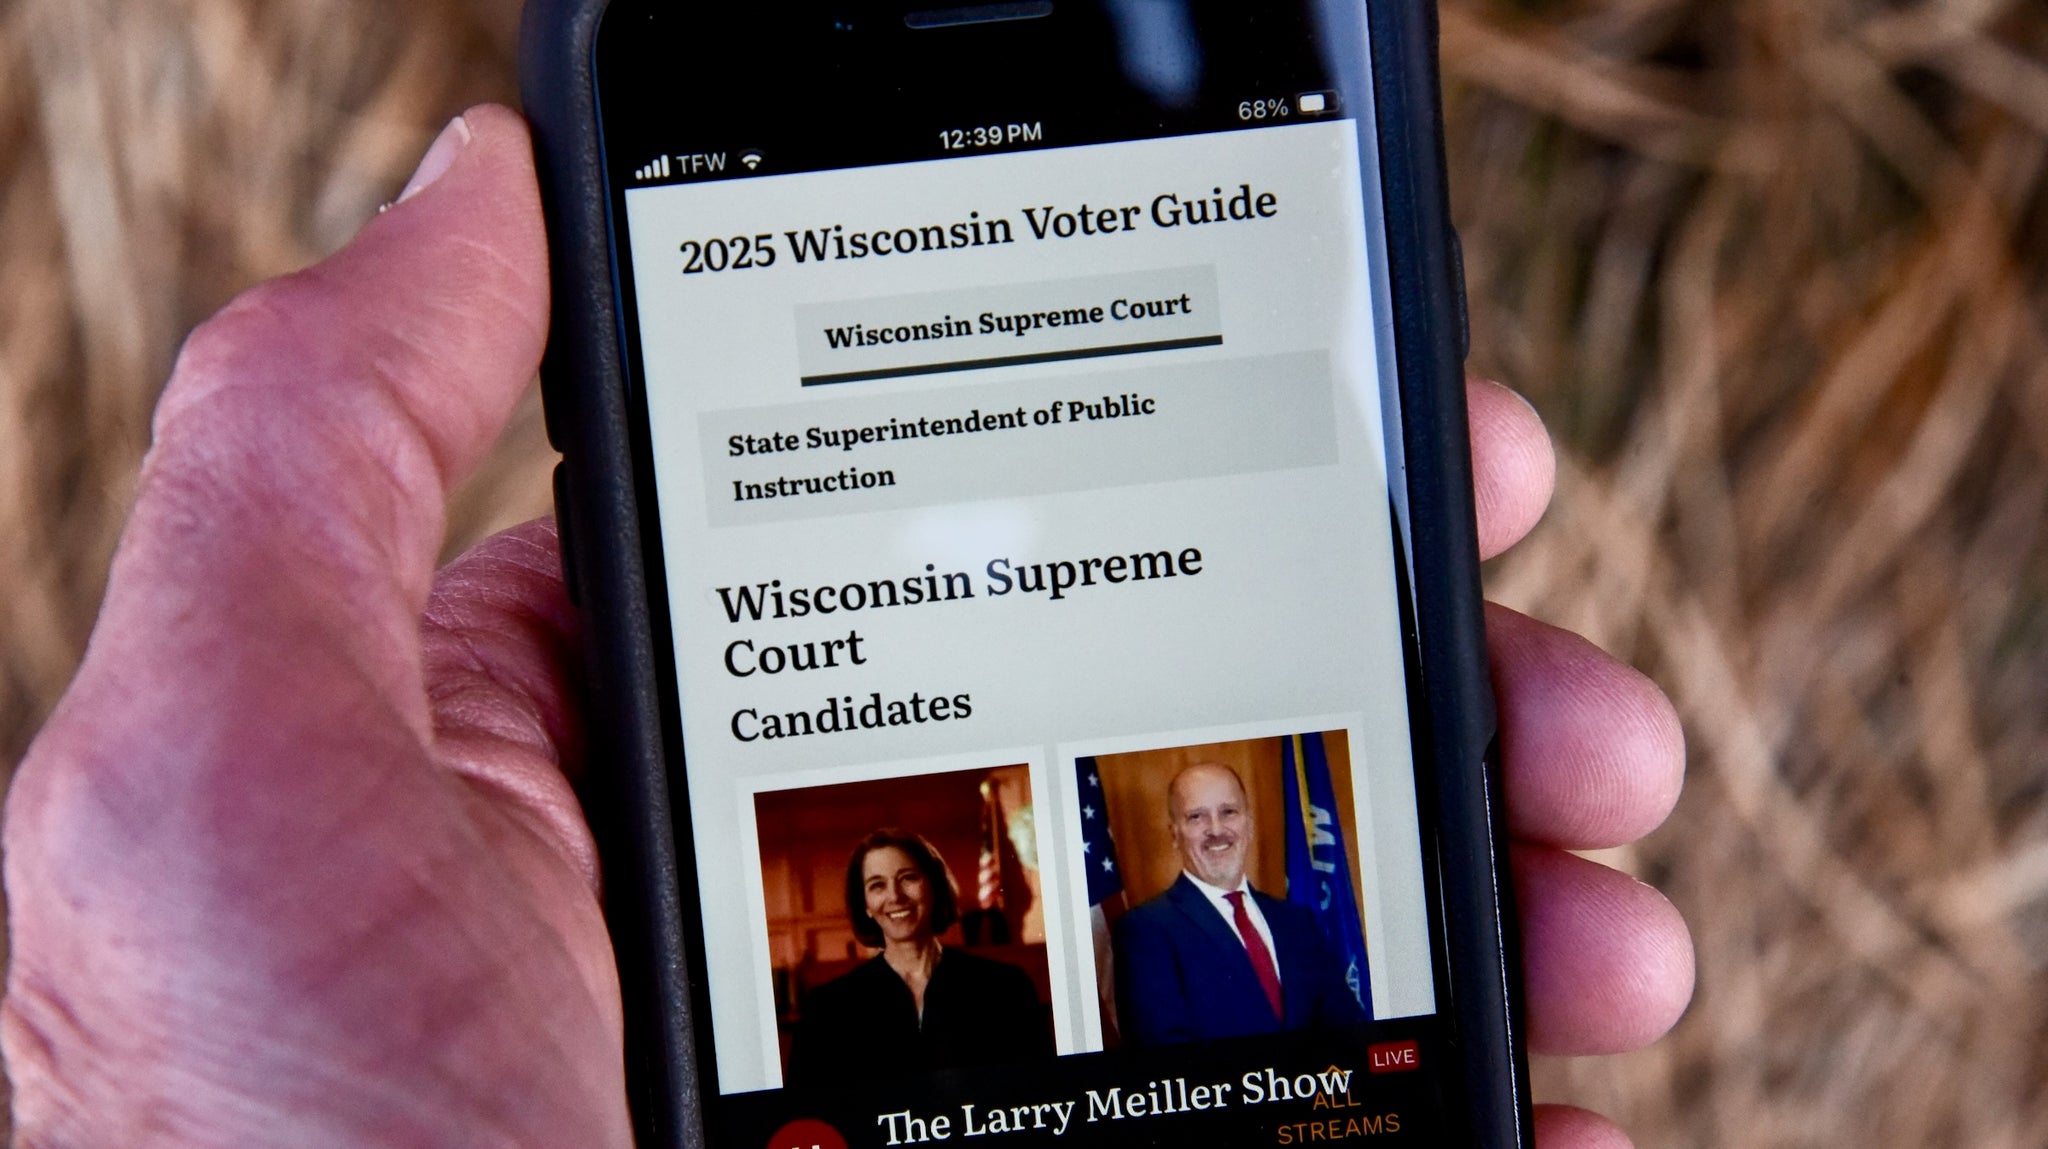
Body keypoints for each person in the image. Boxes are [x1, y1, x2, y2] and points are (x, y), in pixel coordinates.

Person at [1, 107, 1693, 1148]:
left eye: (1218, 815)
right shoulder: (855, 1018)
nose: (1212, 829)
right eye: (1196, 814)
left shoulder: (1099, 966)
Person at [1114, 763, 1365, 1045]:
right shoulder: (1145, 930)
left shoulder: (1297, 922)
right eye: (1196, 817)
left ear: (1249, 823)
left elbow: (1349, 1030)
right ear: (1175, 834)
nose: (1216, 829)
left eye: (1228, 812)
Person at [785, 830, 1050, 1086]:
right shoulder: (827, 1008)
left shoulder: (1005, 986)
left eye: (908, 878)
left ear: (934, 886)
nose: (895, 896)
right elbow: (807, 1112)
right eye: (877, 885)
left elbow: (1039, 1090)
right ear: (865, 905)